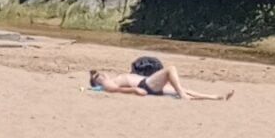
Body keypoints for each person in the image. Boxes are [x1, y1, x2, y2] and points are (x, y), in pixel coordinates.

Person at [88, 53, 233, 101]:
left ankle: (215, 97)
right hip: (145, 85)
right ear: (97, 82)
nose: (101, 74)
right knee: (170, 69)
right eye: (97, 75)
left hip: (147, 84)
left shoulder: (112, 79)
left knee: (182, 89)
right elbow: (118, 90)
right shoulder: (107, 84)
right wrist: (135, 91)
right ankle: (183, 96)